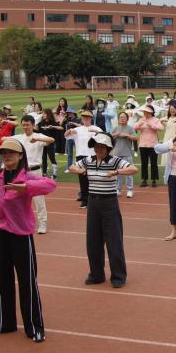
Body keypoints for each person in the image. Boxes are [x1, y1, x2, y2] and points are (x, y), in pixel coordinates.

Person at [0, 140, 57, 340]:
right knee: (4, 278)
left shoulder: (26, 176)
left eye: (11, 152)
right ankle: (5, 323)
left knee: (27, 281)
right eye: (3, 152)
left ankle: (34, 327)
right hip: (1, 232)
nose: (6, 156)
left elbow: (50, 185)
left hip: (21, 235)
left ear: (20, 156)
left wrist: (25, 187)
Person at [70, 133, 138, 288]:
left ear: (108, 148)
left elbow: (133, 169)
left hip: (109, 204)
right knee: (93, 241)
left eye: (101, 147)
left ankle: (118, 276)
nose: (98, 149)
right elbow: (72, 166)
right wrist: (79, 170)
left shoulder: (114, 161)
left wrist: (117, 172)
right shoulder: (89, 160)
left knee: (114, 241)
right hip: (93, 203)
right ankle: (96, 275)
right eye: (96, 146)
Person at [8, 116, 55, 234]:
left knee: (38, 199)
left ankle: (42, 223)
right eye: (23, 125)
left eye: (27, 124)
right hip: (22, 172)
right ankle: (20, 222)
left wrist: (37, 139)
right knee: (19, 198)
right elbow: (5, 139)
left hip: (35, 172)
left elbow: (52, 139)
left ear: (33, 125)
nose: (25, 127)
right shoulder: (19, 137)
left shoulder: (38, 136)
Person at [66, 111, 103, 207]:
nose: (86, 119)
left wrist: (97, 133)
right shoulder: (77, 129)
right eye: (84, 117)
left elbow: (104, 137)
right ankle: (85, 200)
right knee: (82, 179)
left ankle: (94, 199)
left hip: (92, 156)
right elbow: (66, 136)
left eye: (88, 117)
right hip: (80, 156)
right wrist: (69, 131)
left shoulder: (96, 128)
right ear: (82, 118)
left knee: (93, 178)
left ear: (91, 118)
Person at [134, 105, 164, 188]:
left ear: (151, 112)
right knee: (144, 163)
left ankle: (154, 180)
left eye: (146, 112)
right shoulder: (141, 119)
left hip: (153, 145)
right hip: (143, 144)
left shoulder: (156, 120)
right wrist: (140, 124)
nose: (145, 113)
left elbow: (161, 128)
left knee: (154, 163)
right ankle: (144, 180)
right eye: (144, 112)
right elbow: (135, 128)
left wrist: (151, 124)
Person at [110, 111, 138, 198]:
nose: (122, 119)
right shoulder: (115, 128)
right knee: (117, 173)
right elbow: (109, 137)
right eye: (120, 117)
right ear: (118, 119)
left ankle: (129, 190)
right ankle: (118, 189)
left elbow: (135, 138)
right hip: (117, 153)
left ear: (127, 119)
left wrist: (126, 135)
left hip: (127, 153)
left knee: (129, 173)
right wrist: (116, 134)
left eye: (124, 117)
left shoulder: (130, 128)